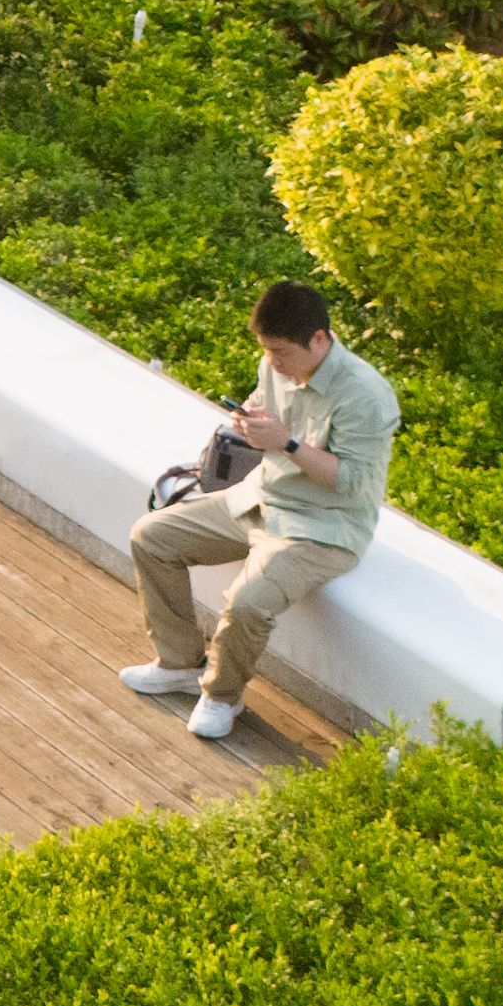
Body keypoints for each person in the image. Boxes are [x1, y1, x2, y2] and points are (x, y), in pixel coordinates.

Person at [122, 279, 395, 740]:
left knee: (247, 603)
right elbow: (263, 407)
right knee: (152, 537)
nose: (273, 362)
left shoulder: (365, 395)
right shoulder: (276, 365)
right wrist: (249, 422)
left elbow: (351, 483)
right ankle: (179, 664)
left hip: (323, 527)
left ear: (319, 340)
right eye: (266, 350)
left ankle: (221, 696)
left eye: (281, 351)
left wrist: (287, 444)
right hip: (259, 498)